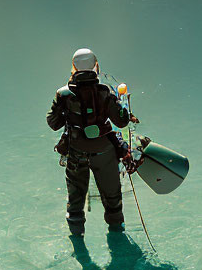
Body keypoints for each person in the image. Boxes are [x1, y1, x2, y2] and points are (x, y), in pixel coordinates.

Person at [47, 48, 136, 236]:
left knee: (75, 201)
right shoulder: (105, 91)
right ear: (95, 65)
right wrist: (123, 105)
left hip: (76, 151)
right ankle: (117, 238)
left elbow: (53, 123)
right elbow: (121, 121)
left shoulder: (62, 94)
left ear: (73, 67)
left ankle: (77, 244)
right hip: (104, 151)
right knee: (113, 199)